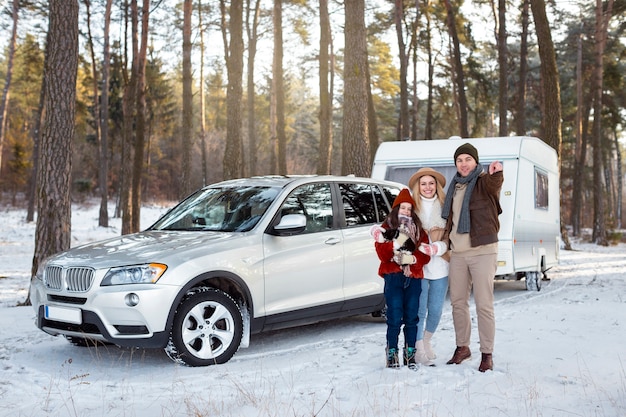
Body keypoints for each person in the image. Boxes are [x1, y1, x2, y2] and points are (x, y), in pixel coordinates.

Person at [441, 143, 503, 373]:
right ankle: (463, 347)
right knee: (458, 302)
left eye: (468, 159)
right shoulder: (454, 187)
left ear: (476, 162)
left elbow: (495, 184)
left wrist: (497, 172)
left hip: (482, 250)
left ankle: (487, 354)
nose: (464, 163)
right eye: (459, 160)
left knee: (484, 304)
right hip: (457, 253)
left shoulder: (484, 182)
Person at [371, 188, 431, 369]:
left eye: (409, 208)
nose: (406, 211)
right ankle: (391, 354)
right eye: (402, 208)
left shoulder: (419, 231)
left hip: (413, 277)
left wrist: (412, 259)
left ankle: (410, 354)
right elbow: (382, 253)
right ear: (396, 209)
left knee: (412, 317)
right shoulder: (386, 228)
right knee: (394, 316)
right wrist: (396, 244)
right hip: (393, 277)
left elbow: (425, 254)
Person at [408, 167, 450, 367]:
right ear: (418, 186)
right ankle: (417, 349)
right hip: (419, 266)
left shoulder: (445, 207)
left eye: (431, 183)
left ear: (436, 186)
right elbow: (400, 233)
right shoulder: (411, 207)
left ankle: (426, 341)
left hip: (440, 264)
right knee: (420, 309)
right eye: (423, 183)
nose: (427, 187)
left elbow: (451, 236)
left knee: (435, 310)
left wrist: (438, 247)